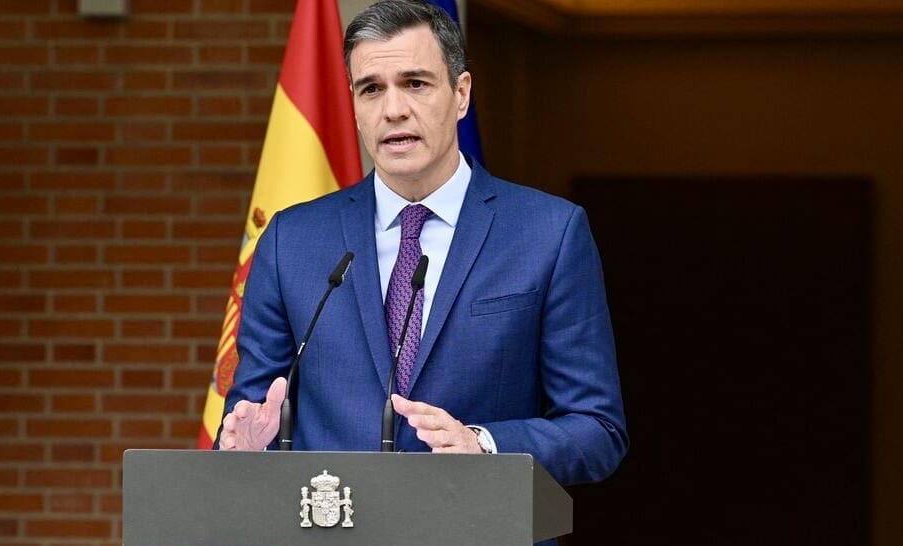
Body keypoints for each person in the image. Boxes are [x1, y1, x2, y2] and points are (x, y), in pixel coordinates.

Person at [217, 0, 627, 490]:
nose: (393, 110)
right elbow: (252, 411)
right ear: (353, 105)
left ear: (461, 93)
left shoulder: (548, 233)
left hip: (473, 521)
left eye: (415, 83)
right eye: (371, 89)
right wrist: (246, 446)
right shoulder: (292, 242)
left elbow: (596, 430)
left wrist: (483, 444)